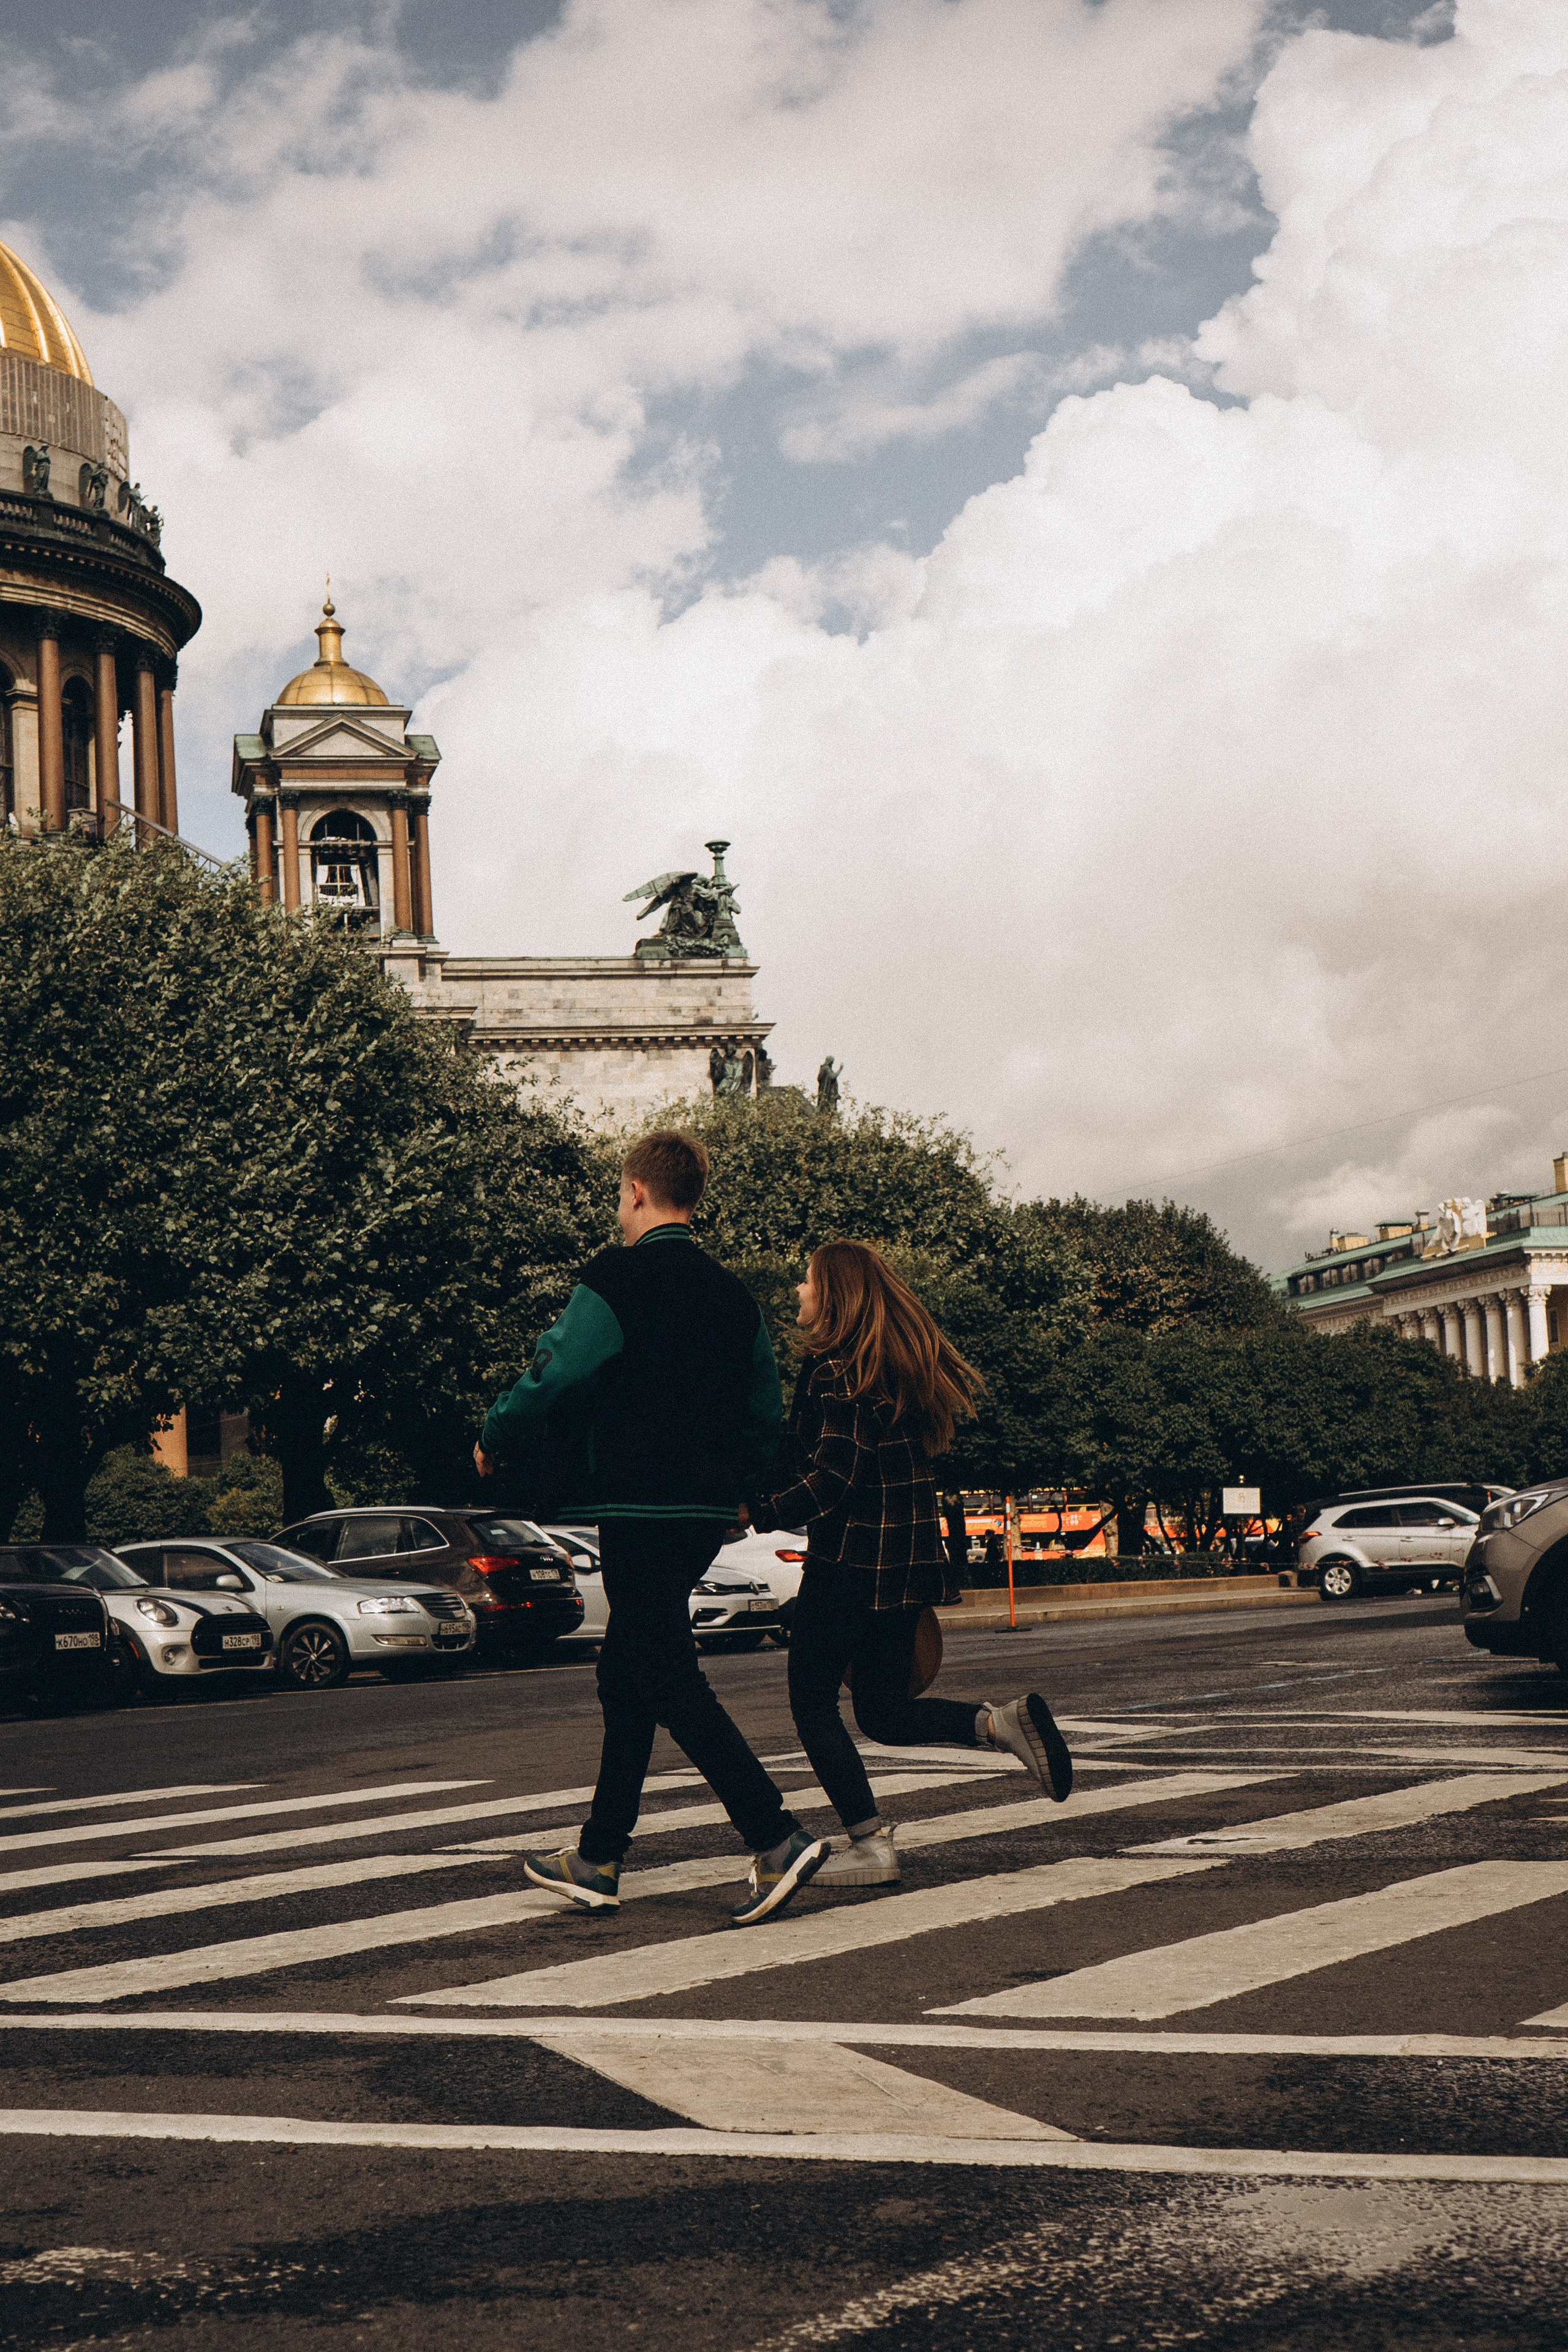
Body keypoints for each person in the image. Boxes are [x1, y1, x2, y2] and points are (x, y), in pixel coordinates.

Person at [475, 1129, 828, 1928]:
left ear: (636, 1191)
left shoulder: (614, 1280)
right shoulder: (735, 1297)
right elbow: (764, 1411)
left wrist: (496, 1434)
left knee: (664, 1671)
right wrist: (739, 1489)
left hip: (636, 1505)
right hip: (704, 1512)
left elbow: (557, 1369)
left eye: (620, 1194)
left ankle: (776, 1836)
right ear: (692, 1195)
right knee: (628, 1670)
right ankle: (599, 1856)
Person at [747, 1240, 1072, 1890]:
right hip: (904, 1567)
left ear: (834, 1294)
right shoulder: (894, 1370)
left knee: (811, 1703)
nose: (798, 1292)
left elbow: (833, 1478)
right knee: (883, 1712)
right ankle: (997, 1724)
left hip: (849, 1564)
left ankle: (868, 1844)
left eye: (808, 1281)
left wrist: (755, 1513)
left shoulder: (837, 1371)